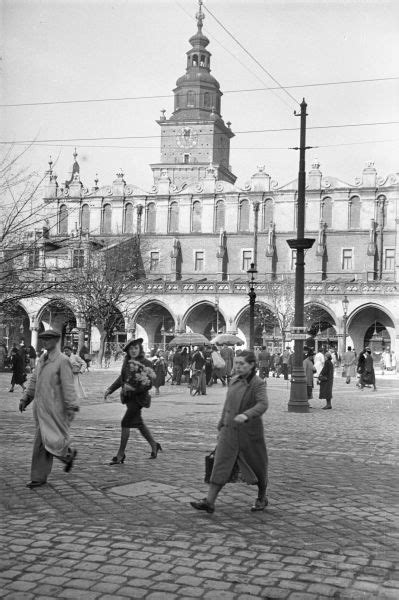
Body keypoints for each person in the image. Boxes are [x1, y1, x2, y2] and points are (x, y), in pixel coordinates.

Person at [190, 351, 269, 514]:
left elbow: (263, 404)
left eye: (242, 364)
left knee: (257, 467)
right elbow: (227, 405)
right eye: (236, 363)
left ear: (252, 365)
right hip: (229, 431)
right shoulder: (233, 380)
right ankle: (209, 502)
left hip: (249, 433)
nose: (238, 366)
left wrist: (246, 415)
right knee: (220, 464)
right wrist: (221, 424)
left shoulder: (257, 383)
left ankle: (262, 496)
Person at [19, 329, 79, 488]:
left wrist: (71, 406)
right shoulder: (41, 360)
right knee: (47, 440)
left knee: (42, 441)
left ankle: (39, 477)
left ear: (56, 340)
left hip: (54, 409)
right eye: (43, 339)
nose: (44, 342)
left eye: (48, 339)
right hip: (40, 408)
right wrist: (26, 398)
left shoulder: (62, 361)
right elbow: (34, 381)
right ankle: (67, 456)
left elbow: (68, 386)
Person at [104, 338, 162, 464]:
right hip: (128, 399)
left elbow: (149, 384)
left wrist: (133, 388)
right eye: (131, 348)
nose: (133, 350)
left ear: (140, 349)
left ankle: (120, 454)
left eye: (136, 348)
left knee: (125, 422)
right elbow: (122, 378)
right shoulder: (127, 362)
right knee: (139, 423)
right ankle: (154, 445)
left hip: (139, 399)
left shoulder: (146, 363)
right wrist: (110, 389)